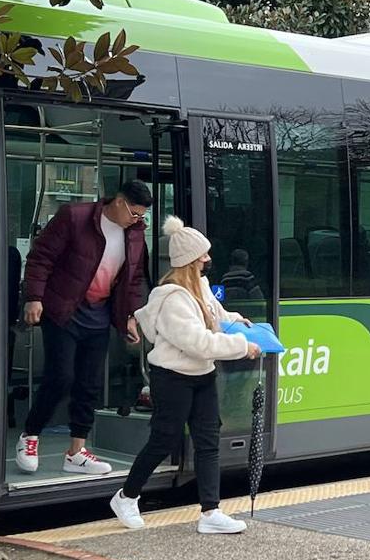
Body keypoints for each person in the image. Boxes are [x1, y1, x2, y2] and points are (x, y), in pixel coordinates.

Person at [110, 216, 262, 533]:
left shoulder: (201, 287)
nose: (209, 259)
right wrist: (241, 346)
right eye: (203, 255)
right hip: (173, 377)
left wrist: (238, 322)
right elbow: (197, 342)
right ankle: (126, 496)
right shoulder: (171, 299)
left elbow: (216, 317)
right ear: (190, 261)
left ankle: (210, 512)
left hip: (202, 375)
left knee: (207, 441)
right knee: (164, 439)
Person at [16, 179, 153, 476]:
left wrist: (130, 316)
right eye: (135, 213)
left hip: (99, 313)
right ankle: (30, 434)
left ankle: (76, 452)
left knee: (89, 383)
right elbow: (41, 257)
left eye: (142, 217)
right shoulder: (75, 217)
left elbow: (132, 280)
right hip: (63, 309)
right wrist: (34, 297)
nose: (138, 221)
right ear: (118, 202)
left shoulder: (136, 235)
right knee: (61, 377)